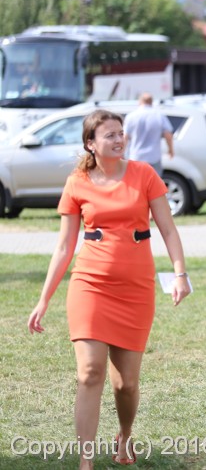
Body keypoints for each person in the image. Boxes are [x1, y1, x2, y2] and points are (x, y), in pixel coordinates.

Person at [27, 109, 191, 469]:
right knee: (89, 372)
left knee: (126, 384)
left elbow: (168, 229)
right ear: (91, 143)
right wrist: (43, 300)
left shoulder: (144, 174)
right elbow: (64, 247)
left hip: (135, 288)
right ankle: (85, 461)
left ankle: (124, 435)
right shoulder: (77, 182)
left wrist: (180, 273)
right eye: (110, 135)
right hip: (90, 285)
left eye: (121, 133)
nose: (119, 140)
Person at [123, 93, 174, 176]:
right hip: (154, 157)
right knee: (154, 182)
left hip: (136, 157)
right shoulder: (159, 115)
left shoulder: (131, 116)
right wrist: (171, 150)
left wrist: (122, 153)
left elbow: (125, 136)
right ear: (151, 102)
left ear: (140, 101)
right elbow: (168, 135)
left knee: (138, 182)